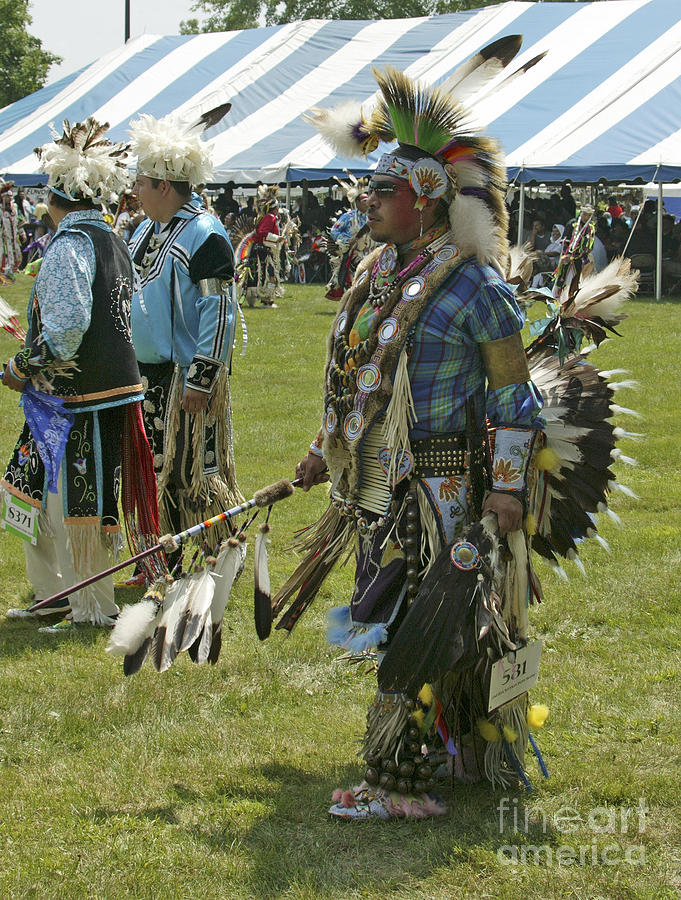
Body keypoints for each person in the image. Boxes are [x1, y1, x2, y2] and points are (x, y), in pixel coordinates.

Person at [278, 51, 550, 819]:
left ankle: (401, 785)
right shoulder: (378, 273)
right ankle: (443, 755)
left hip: (442, 486)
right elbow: (357, 377)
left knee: (421, 623)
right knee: (394, 612)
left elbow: (514, 397)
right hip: (380, 485)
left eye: (383, 190)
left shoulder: (473, 283)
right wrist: (319, 450)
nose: (367, 200)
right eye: (367, 187)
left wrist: (502, 488)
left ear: (427, 201)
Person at [1, 118, 158, 632]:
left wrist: (20, 366)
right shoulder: (112, 239)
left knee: (75, 503)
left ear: (55, 196)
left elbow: (68, 330)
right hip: (88, 395)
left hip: (76, 399)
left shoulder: (70, 245)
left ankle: (90, 606)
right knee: (35, 492)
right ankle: (55, 596)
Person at [128, 110, 242, 557]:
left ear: (164, 185)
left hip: (184, 374)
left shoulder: (205, 234)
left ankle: (217, 550)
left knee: (193, 469)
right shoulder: (144, 231)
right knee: (153, 466)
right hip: (145, 374)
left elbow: (219, 308)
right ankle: (160, 552)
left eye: (142, 181)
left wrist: (202, 377)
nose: (134, 189)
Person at [325, 174, 372, 299]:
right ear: (356, 202)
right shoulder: (348, 216)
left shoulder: (371, 217)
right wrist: (346, 241)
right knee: (352, 278)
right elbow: (334, 231)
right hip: (351, 253)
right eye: (364, 201)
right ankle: (349, 300)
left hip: (369, 252)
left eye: (368, 200)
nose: (367, 203)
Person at [553, 204, 595, 296]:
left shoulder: (591, 227)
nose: (586, 217)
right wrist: (566, 255)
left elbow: (590, 244)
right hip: (568, 257)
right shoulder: (572, 224)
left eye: (589, 215)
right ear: (581, 213)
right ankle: (559, 297)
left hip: (582, 259)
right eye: (585, 214)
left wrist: (585, 253)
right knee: (563, 278)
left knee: (579, 281)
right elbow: (564, 242)